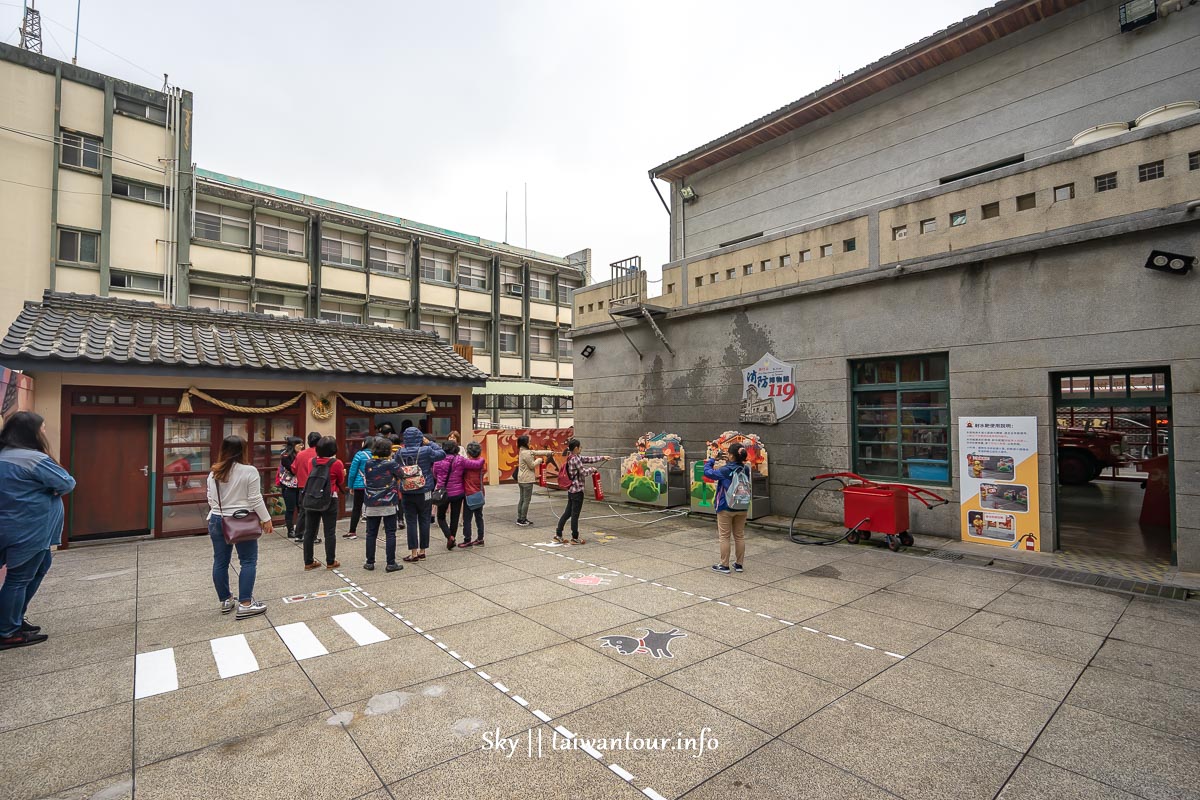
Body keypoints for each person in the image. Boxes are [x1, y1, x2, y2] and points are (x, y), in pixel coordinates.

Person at [0, 412, 75, 649]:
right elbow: (66, 482)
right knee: (19, 578)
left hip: (13, 525)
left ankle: (12, 620)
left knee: (40, 567)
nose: (44, 432)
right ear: (30, 432)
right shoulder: (33, 459)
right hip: (29, 528)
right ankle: (7, 630)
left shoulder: (4, 455)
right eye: (42, 428)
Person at [207, 435, 273, 618]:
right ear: (244, 450)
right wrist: (266, 519)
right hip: (241, 520)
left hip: (217, 519)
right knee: (248, 561)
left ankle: (226, 600)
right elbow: (255, 498)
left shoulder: (214, 472)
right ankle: (245, 603)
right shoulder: (249, 471)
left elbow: (210, 498)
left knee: (220, 561)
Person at [396, 426, 444, 563]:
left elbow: (395, 467)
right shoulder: (427, 450)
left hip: (407, 491)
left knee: (411, 521)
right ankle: (423, 550)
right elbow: (442, 454)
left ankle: (413, 552)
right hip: (425, 490)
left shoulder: (400, 452)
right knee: (424, 520)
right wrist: (429, 443)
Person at [554, 439, 611, 545]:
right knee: (575, 515)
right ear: (576, 448)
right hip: (577, 492)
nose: (581, 449)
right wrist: (592, 470)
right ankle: (575, 537)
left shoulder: (572, 457)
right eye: (580, 447)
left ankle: (558, 534)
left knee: (567, 513)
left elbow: (588, 459)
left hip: (571, 491)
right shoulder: (575, 459)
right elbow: (583, 472)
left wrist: (603, 457)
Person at [301, 436, 346, 571]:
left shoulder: (311, 461)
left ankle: (308, 562)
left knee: (309, 531)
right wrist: (343, 473)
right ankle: (330, 561)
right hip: (330, 498)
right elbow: (340, 480)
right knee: (329, 531)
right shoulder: (336, 463)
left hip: (312, 497)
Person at [705, 443, 750, 574]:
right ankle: (739, 564)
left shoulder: (726, 470)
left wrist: (712, 459)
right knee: (739, 536)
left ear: (731, 455)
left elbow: (708, 473)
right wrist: (729, 461)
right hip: (742, 505)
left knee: (724, 536)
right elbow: (735, 468)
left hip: (726, 506)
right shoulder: (745, 469)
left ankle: (724, 565)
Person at [361, 438, 403, 573]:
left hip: (371, 501)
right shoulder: (391, 464)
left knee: (371, 533)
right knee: (390, 533)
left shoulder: (368, 463)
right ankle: (391, 563)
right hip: (388, 501)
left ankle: (369, 562)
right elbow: (402, 475)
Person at [515, 435, 553, 527]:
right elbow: (532, 465)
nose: (530, 442)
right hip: (527, 480)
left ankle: (520, 518)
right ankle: (522, 519)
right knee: (526, 500)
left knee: (522, 499)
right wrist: (539, 460)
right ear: (525, 443)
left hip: (521, 479)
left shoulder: (522, 451)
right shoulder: (526, 453)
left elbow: (536, 452)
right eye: (529, 441)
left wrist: (549, 452)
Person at [293, 431, 322, 544]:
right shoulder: (320, 454)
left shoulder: (300, 454)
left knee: (303, 511)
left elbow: (294, 469)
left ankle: (299, 534)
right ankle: (313, 535)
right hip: (316, 486)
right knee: (315, 512)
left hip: (302, 486)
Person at [433, 441, 463, 549]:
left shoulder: (438, 461)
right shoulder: (460, 460)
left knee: (441, 517)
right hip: (458, 492)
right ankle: (452, 537)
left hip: (443, 493)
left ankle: (449, 536)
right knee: (454, 517)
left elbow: (435, 475)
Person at [458, 441, 487, 547]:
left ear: (469, 453)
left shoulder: (466, 465)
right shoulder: (482, 463)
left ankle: (467, 539)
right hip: (479, 492)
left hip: (469, 493)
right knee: (479, 516)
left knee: (467, 518)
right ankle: (480, 538)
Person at [345, 437, 374, 541]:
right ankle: (370, 531)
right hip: (373, 485)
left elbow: (352, 472)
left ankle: (352, 531)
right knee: (371, 508)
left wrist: (350, 486)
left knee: (356, 508)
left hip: (359, 485)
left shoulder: (359, 455)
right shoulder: (376, 455)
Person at [277, 436, 303, 538]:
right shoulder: (285, 456)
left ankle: (300, 529)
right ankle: (290, 530)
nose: (302, 446)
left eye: (302, 444)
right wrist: (300, 458)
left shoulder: (301, 455)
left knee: (301, 508)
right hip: (289, 485)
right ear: (293, 445)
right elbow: (293, 470)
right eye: (299, 444)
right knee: (290, 509)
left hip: (300, 484)